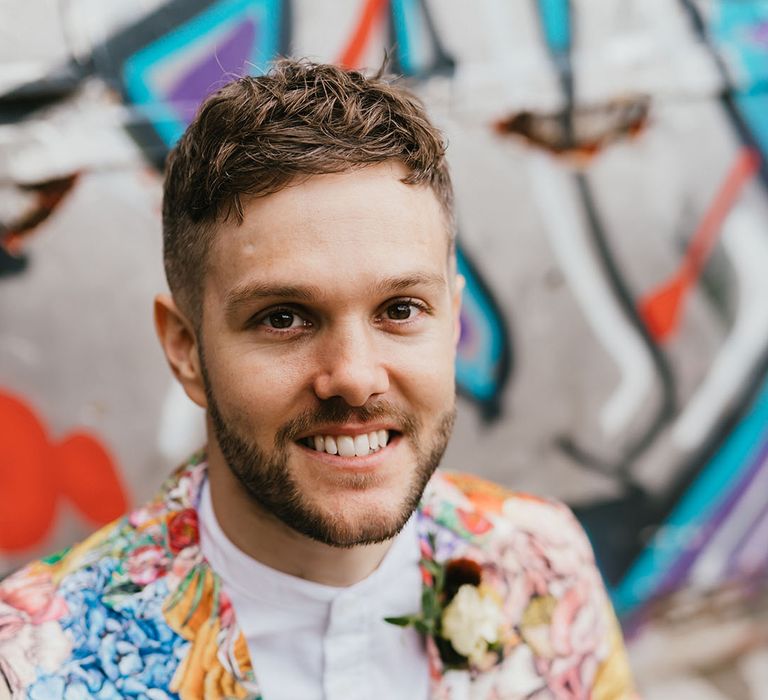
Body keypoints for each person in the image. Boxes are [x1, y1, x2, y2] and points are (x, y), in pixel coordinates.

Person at [0, 59, 637, 700]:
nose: (355, 379)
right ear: (186, 349)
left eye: (400, 310)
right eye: (284, 318)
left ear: (451, 323)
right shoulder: (32, 667)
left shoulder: (544, 563)